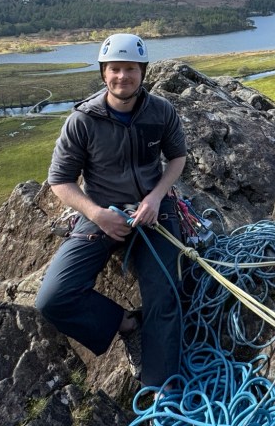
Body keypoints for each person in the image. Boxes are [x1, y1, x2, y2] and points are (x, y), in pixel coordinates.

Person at [35, 32, 187, 390]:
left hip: (153, 212)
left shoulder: (160, 111)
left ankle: (160, 391)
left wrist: (155, 198)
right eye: (115, 69)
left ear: (142, 72)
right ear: (104, 73)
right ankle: (128, 325)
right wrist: (97, 213)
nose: (123, 76)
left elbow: (177, 157)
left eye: (130, 69)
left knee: (165, 295)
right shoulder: (83, 121)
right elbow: (60, 181)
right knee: (53, 299)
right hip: (101, 214)